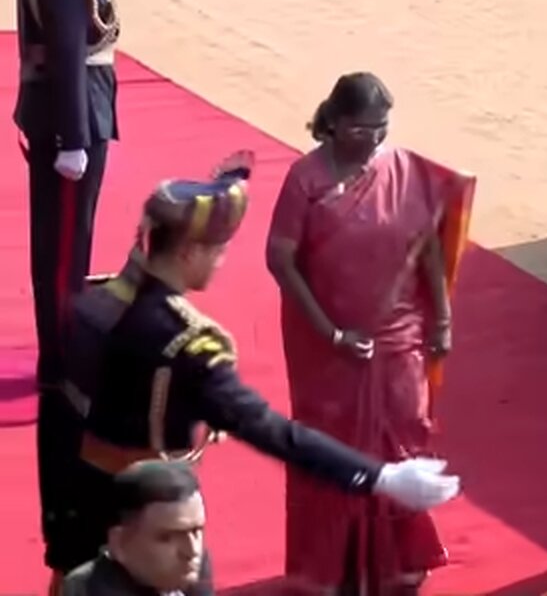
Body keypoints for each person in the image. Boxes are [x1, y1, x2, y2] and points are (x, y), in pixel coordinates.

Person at [45, 152, 462, 595]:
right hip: (153, 517)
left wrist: (58, 514)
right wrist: (379, 476)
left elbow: (58, 412)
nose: (221, 262)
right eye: (218, 251)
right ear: (189, 252)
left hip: (80, 496)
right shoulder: (187, 343)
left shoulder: (94, 303)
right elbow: (267, 429)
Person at [267, 72, 476, 595]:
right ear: (333, 125)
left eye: (382, 127)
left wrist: (443, 320)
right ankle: (332, 568)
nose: (375, 139)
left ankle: (400, 562)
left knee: (403, 439)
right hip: (326, 348)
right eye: (362, 129)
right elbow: (280, 259)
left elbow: (428, 246)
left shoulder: (404, 170)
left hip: (399, 337)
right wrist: (330, 332)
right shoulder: (305, 180)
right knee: (333, 452)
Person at [16, 0, 120, 585]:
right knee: (62, 256)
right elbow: (65, 42)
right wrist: (75, 140)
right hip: (70, 115)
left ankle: (61, 345)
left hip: (73, 107)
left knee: (67, 247)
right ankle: (59, 358)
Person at [61, 461, 208, 596]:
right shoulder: (93, 589)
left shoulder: (192, 570)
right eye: (166, 538)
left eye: (196, 531)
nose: (192, 551)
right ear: (119, 544)